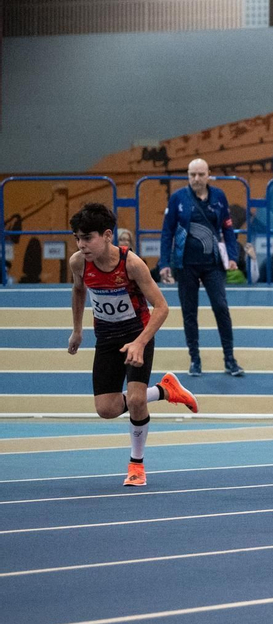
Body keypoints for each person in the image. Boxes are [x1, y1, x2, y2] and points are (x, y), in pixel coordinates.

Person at [67, 203, 199, 487]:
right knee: (106, 409)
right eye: (77, 238)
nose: (81, 245)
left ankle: (136, 465)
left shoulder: (131, 264)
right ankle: (165, 390)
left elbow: (162, 307)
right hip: (106, 338)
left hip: (137, 333)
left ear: (107, 235)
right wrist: (77, 330)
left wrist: (140, 342)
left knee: (137, 400)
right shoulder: (78, 262)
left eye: (87, 238)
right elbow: (78, 290)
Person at [159, 158, 244, 377]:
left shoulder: (219, 196)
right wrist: (164, 263)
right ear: (188, 175)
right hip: (185, 264)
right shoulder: (178, 198)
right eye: (192, 175)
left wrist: (232, 256)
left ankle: (230, 359)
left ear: (208, 175)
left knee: (221, 308)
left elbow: (227, 228)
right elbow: (167, 232)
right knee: (189, 312)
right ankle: (195, 359)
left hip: (213, 264)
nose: (196, 179)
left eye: (200, 174)